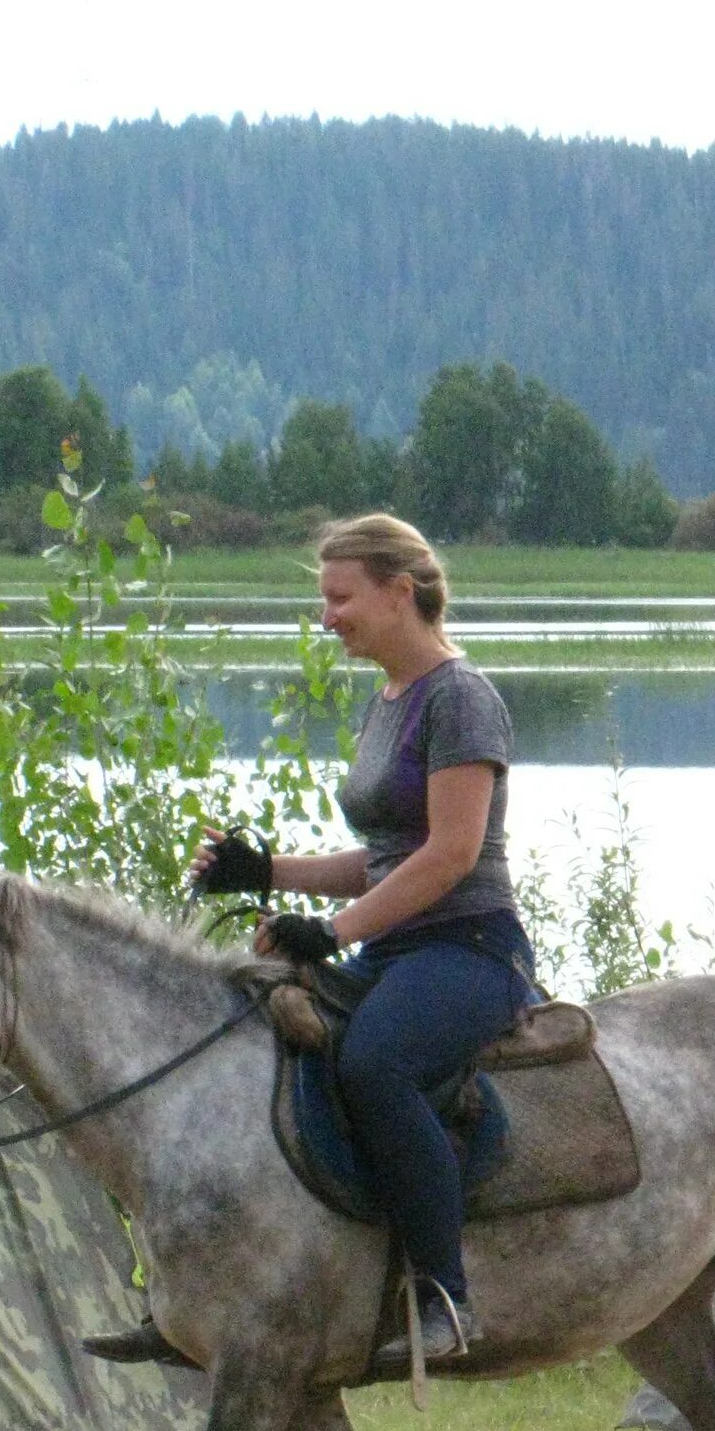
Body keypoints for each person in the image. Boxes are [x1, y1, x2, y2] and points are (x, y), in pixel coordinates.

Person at [193, 513, 533, 1365]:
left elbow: (449, 856)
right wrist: (263, 870)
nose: (327, 618)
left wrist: (332, 934)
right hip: (398, 948)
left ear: (399, 592)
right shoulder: (390, 700)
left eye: (340, 598)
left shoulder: (461, 697)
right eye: (324, 601)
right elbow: (383, 860)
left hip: (470, 949)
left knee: (374, 1063)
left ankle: (446, 1300)